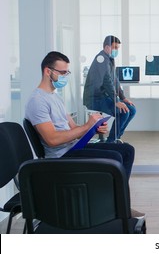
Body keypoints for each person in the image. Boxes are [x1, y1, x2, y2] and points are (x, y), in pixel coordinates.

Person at [25, 51, 135, 180]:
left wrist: (94, 127)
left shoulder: (55, 97)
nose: (65, 76)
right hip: (62, 156)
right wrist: (87, 126)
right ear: (48, 71)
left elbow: (73, 127)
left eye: (67, 72)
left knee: (127, 150)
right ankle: (114, 196)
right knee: (115, 157)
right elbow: (52, 140)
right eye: (62, 72)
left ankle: (119, 195)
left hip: (72, 146)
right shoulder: (37, 100)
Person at [83, 35, 136, 143]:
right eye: (114, 47)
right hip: (95, 98)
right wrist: (116, 101)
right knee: (123, 112)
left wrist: (123, 98)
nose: (116, 50)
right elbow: (107, 81)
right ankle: (110, 142)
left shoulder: (110, 59)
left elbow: (115, 80)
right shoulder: (101, 59)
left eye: (117, 48)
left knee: (132, 110)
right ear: (107, 47)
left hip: (104, 96)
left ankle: (116, 137)